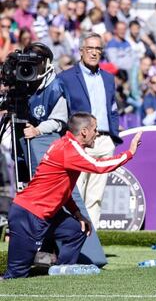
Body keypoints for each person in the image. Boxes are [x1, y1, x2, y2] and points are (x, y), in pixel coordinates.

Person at [3, 112, 142, 279]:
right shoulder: (70, 148)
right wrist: (130, 152)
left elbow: (63, 190)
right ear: (84, 131)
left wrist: (77, 214)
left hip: (45, 214)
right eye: (95, 129)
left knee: (77, 230)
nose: (97, 134)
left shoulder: (66, 144)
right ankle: (37, 263)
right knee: (15, 276)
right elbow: (98, 165)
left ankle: (62, 270)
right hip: (28, 215)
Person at [58, 32, 122, 230]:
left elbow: (113, 108)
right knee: (75, 192)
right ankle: (72, 238)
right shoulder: (66, 77)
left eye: (98, 49)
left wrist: (113, 137)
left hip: (103, 141)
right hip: (79, 142)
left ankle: (90, 242)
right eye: (90, 48)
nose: (94, 53)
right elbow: (62, 110)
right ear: (81, 51)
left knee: (96, 196)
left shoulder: (109, 78)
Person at [19, 42, 67, 177]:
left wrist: (37, 130)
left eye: (36, 62)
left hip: (49, 145)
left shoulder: (56, 87)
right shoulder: (23, 83)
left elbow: (58, 121)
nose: (32, 66)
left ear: (45, 63)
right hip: (28, 143)